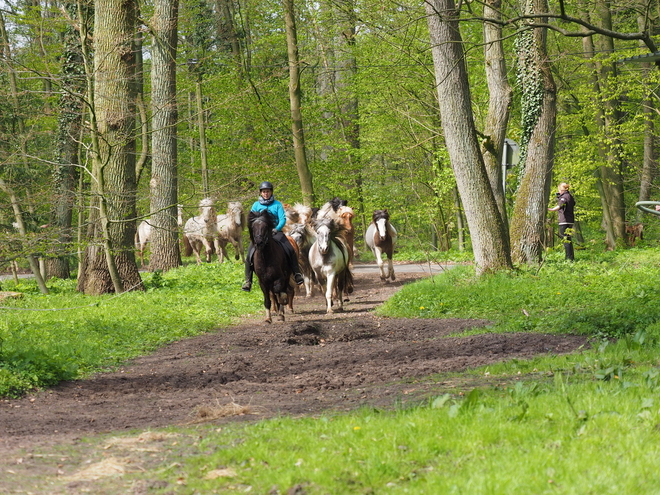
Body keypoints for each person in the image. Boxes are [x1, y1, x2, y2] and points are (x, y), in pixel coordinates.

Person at [242, 181, 305, 291]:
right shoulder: (256, 205)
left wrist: (277, 229)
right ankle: (248, 280)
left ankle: (297, 273)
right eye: (264, 192)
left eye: (268, 191)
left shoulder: (277, 204)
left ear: (271, 192)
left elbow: (282, 219)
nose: (266, 193)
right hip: (260, 235)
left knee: (289, 249)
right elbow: (251, 221)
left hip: (275, 233)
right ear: (261, 193)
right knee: (249, 254)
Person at [548, 182, 575, 261]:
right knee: (568, 239)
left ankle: (569, 258)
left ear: (561, 190)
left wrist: (552, 209)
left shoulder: (564, 197)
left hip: (564, 221)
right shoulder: (570, 196)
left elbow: (560, 205)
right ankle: (570, 257)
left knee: (565, 240)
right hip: (570, 220)